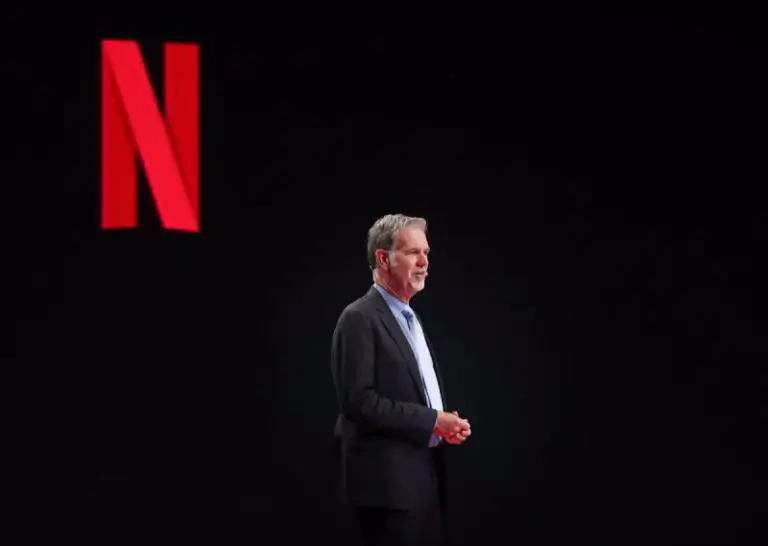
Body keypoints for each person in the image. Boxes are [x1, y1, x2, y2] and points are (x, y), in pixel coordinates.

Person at [331, 213, 472, 546]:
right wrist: (432, 421)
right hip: (387, 491)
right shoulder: (359, 318)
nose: (424, 262)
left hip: (424, 481)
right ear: (383, 259)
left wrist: (442, 423)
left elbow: (413, 392)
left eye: (426, 253)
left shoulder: (409, 318)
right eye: (413, 253)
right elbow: (359, 402)